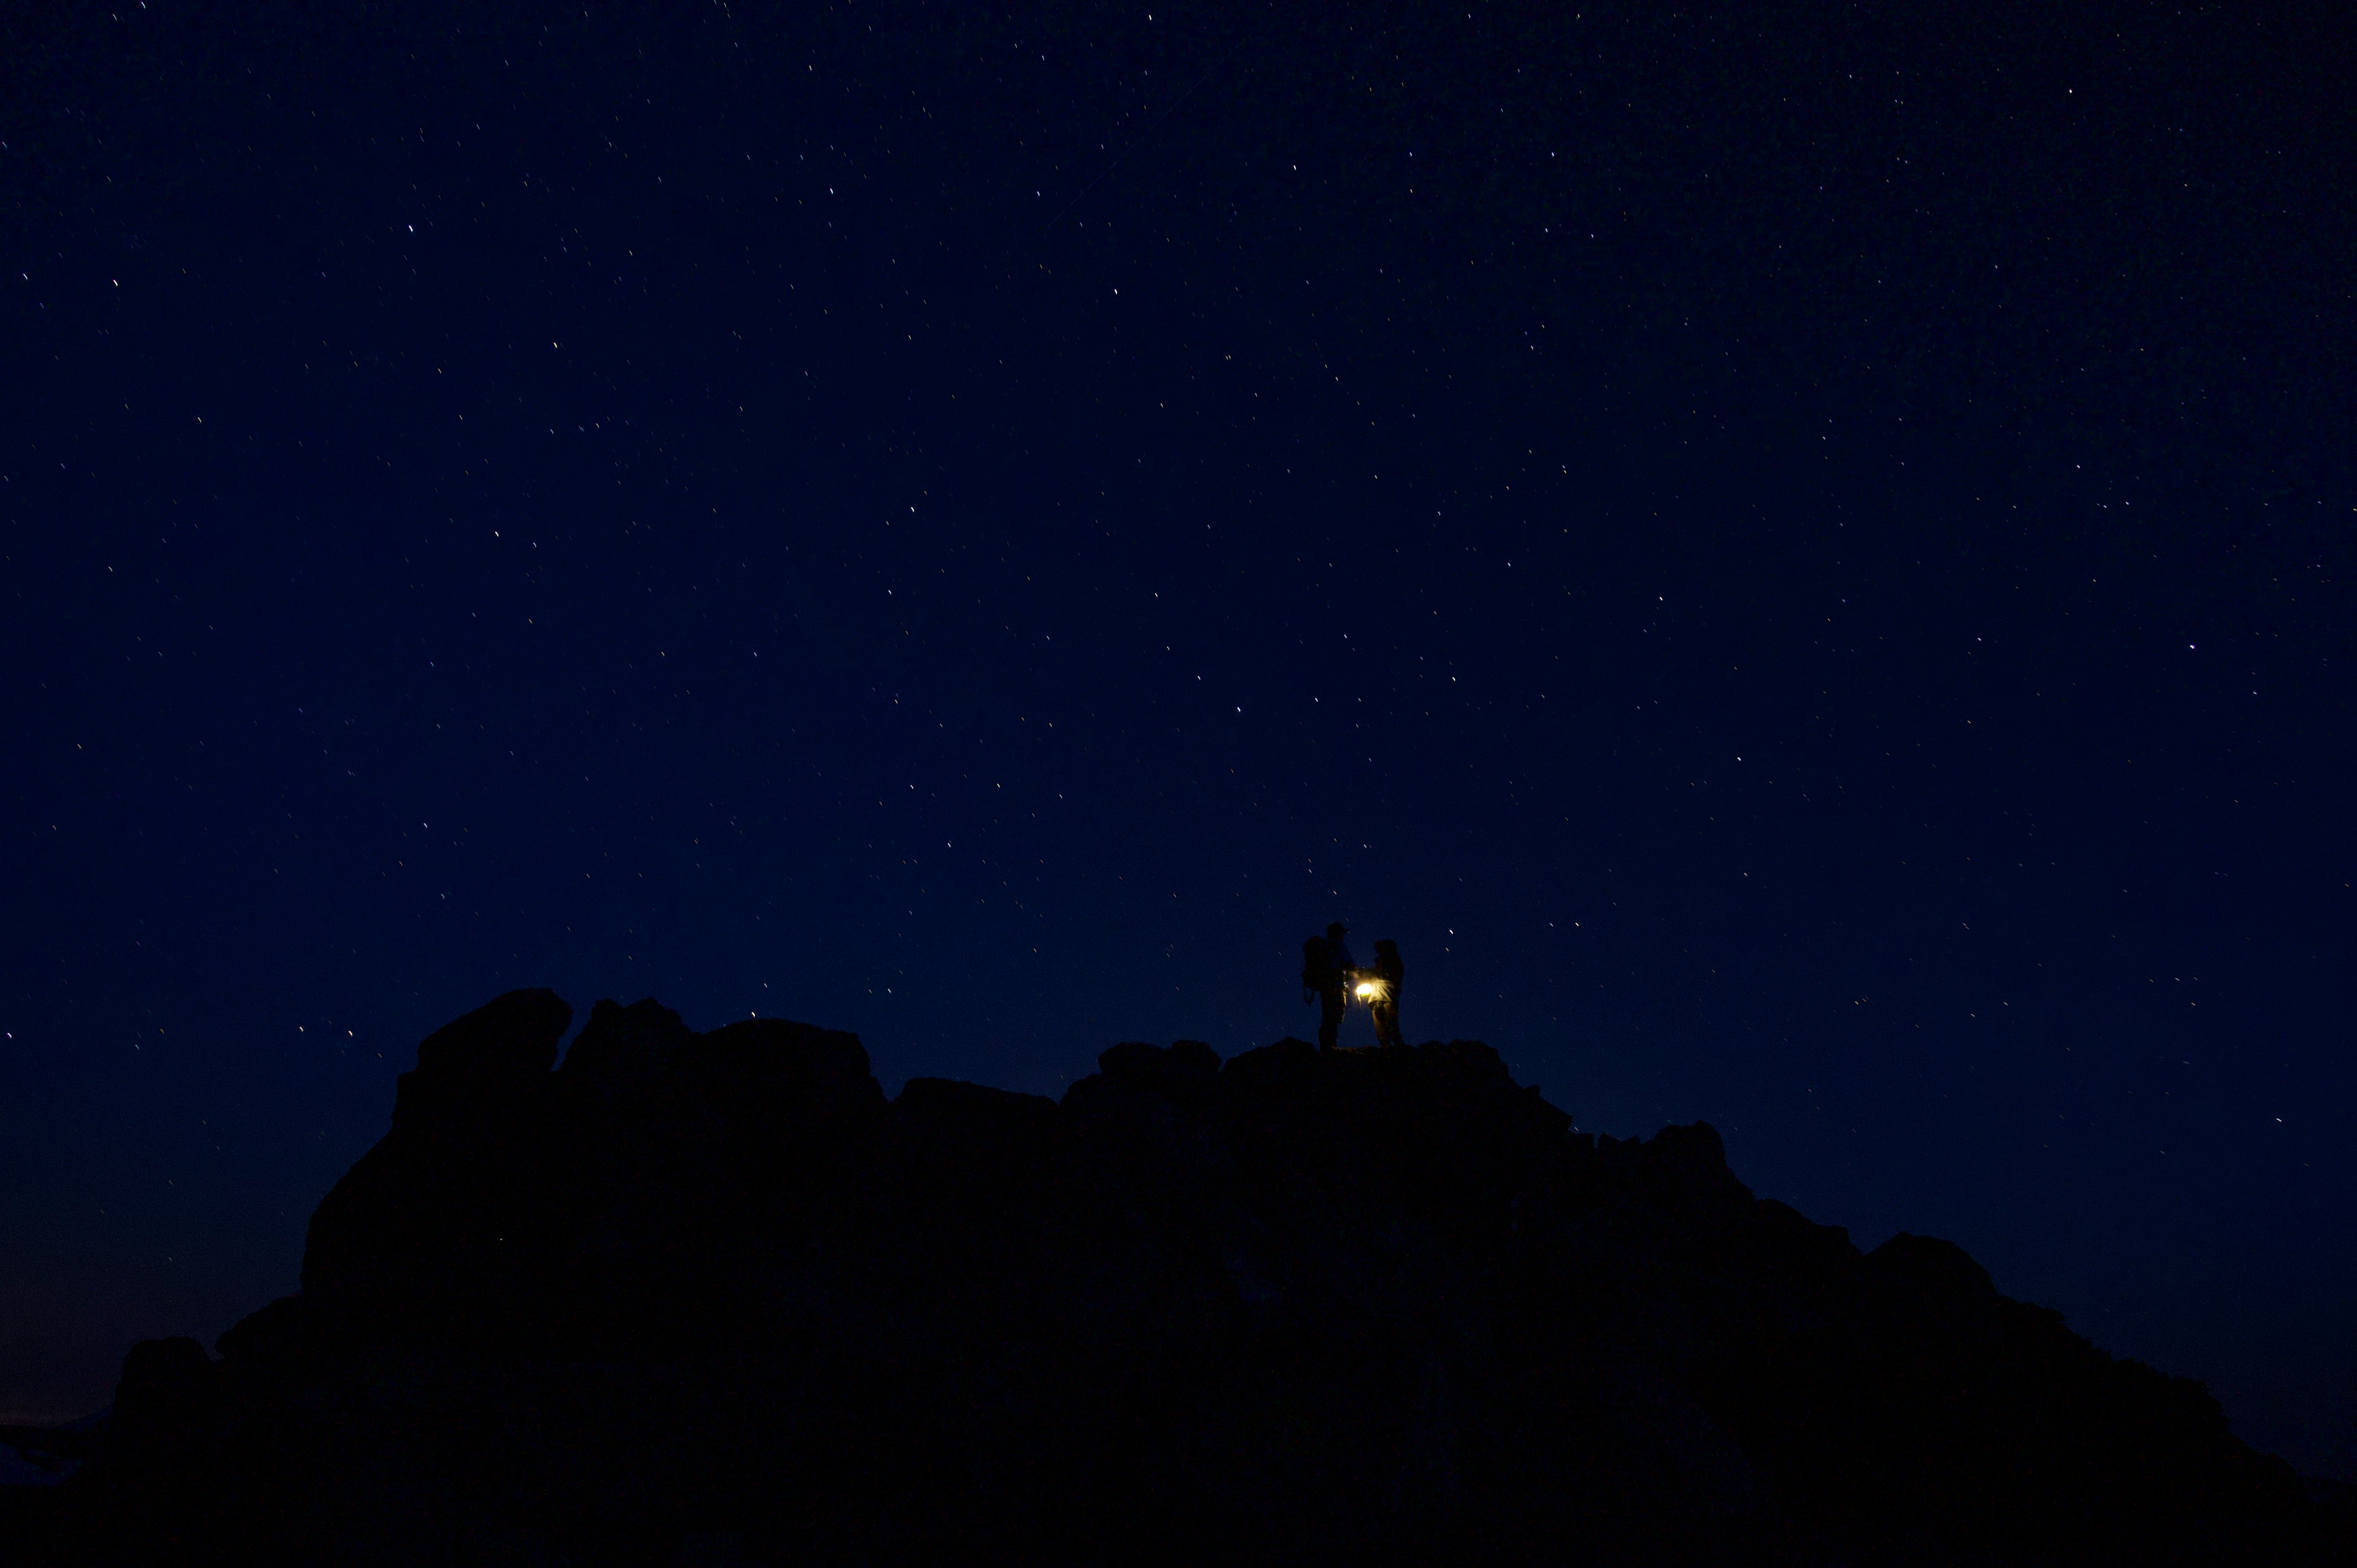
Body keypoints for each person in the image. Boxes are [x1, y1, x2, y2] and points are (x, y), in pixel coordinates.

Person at [1307, 921, 1353, 1049]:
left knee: (1327, 1015)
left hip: (1325, 986)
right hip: (1336, 985)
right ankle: (1331, 1046)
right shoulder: (1339, 946)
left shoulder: (1323, 947)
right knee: (1334, 1016)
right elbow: (1350, 964)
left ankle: (1326, 1045)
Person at [1370, 938, 1405, 1047]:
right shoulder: (1380, 963)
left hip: (1387, 997)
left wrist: (1367, 973)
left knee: (1392, 1027)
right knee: (1381, 1031)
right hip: (1377, 998)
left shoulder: (1394, 962)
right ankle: (1387, 1053)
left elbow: (1388, 975)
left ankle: (1400, 1052)